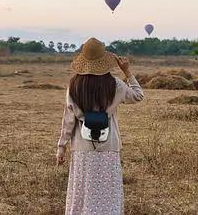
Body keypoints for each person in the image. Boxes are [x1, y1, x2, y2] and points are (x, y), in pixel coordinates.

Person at [56, 37, 144, 214]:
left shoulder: (73, 86)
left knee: (82, 194)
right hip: (109, 147)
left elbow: (68, 120)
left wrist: (61, 147)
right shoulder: (116, 85)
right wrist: (127, 72)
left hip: (81, 148)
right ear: (105, 62)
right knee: (108, 194)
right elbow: (138, 95)